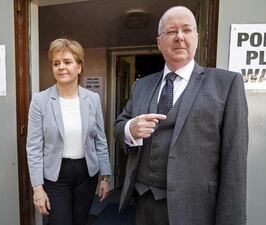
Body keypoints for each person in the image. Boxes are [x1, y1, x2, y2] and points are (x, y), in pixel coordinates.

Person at [114, 6, 248, 225]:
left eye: (186, 30)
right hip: (144, 204)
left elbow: (235, 163)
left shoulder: (227, 84)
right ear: (159, 42)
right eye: (171, 31)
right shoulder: (142, 85)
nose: (179, 37)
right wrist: (130, 129)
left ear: (196, 37)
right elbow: (119, 126)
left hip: (196, 208)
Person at [26, 38, 112, 225]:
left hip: (86, 174)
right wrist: (37, 189)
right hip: (55, 176)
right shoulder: (40, 101)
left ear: (79, 67)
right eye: (56, 63)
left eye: (67, 62)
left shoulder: (92, 99)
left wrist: (105, 176)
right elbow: (33, 148)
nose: (61, 67)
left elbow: (100, 140)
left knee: (80, 221)